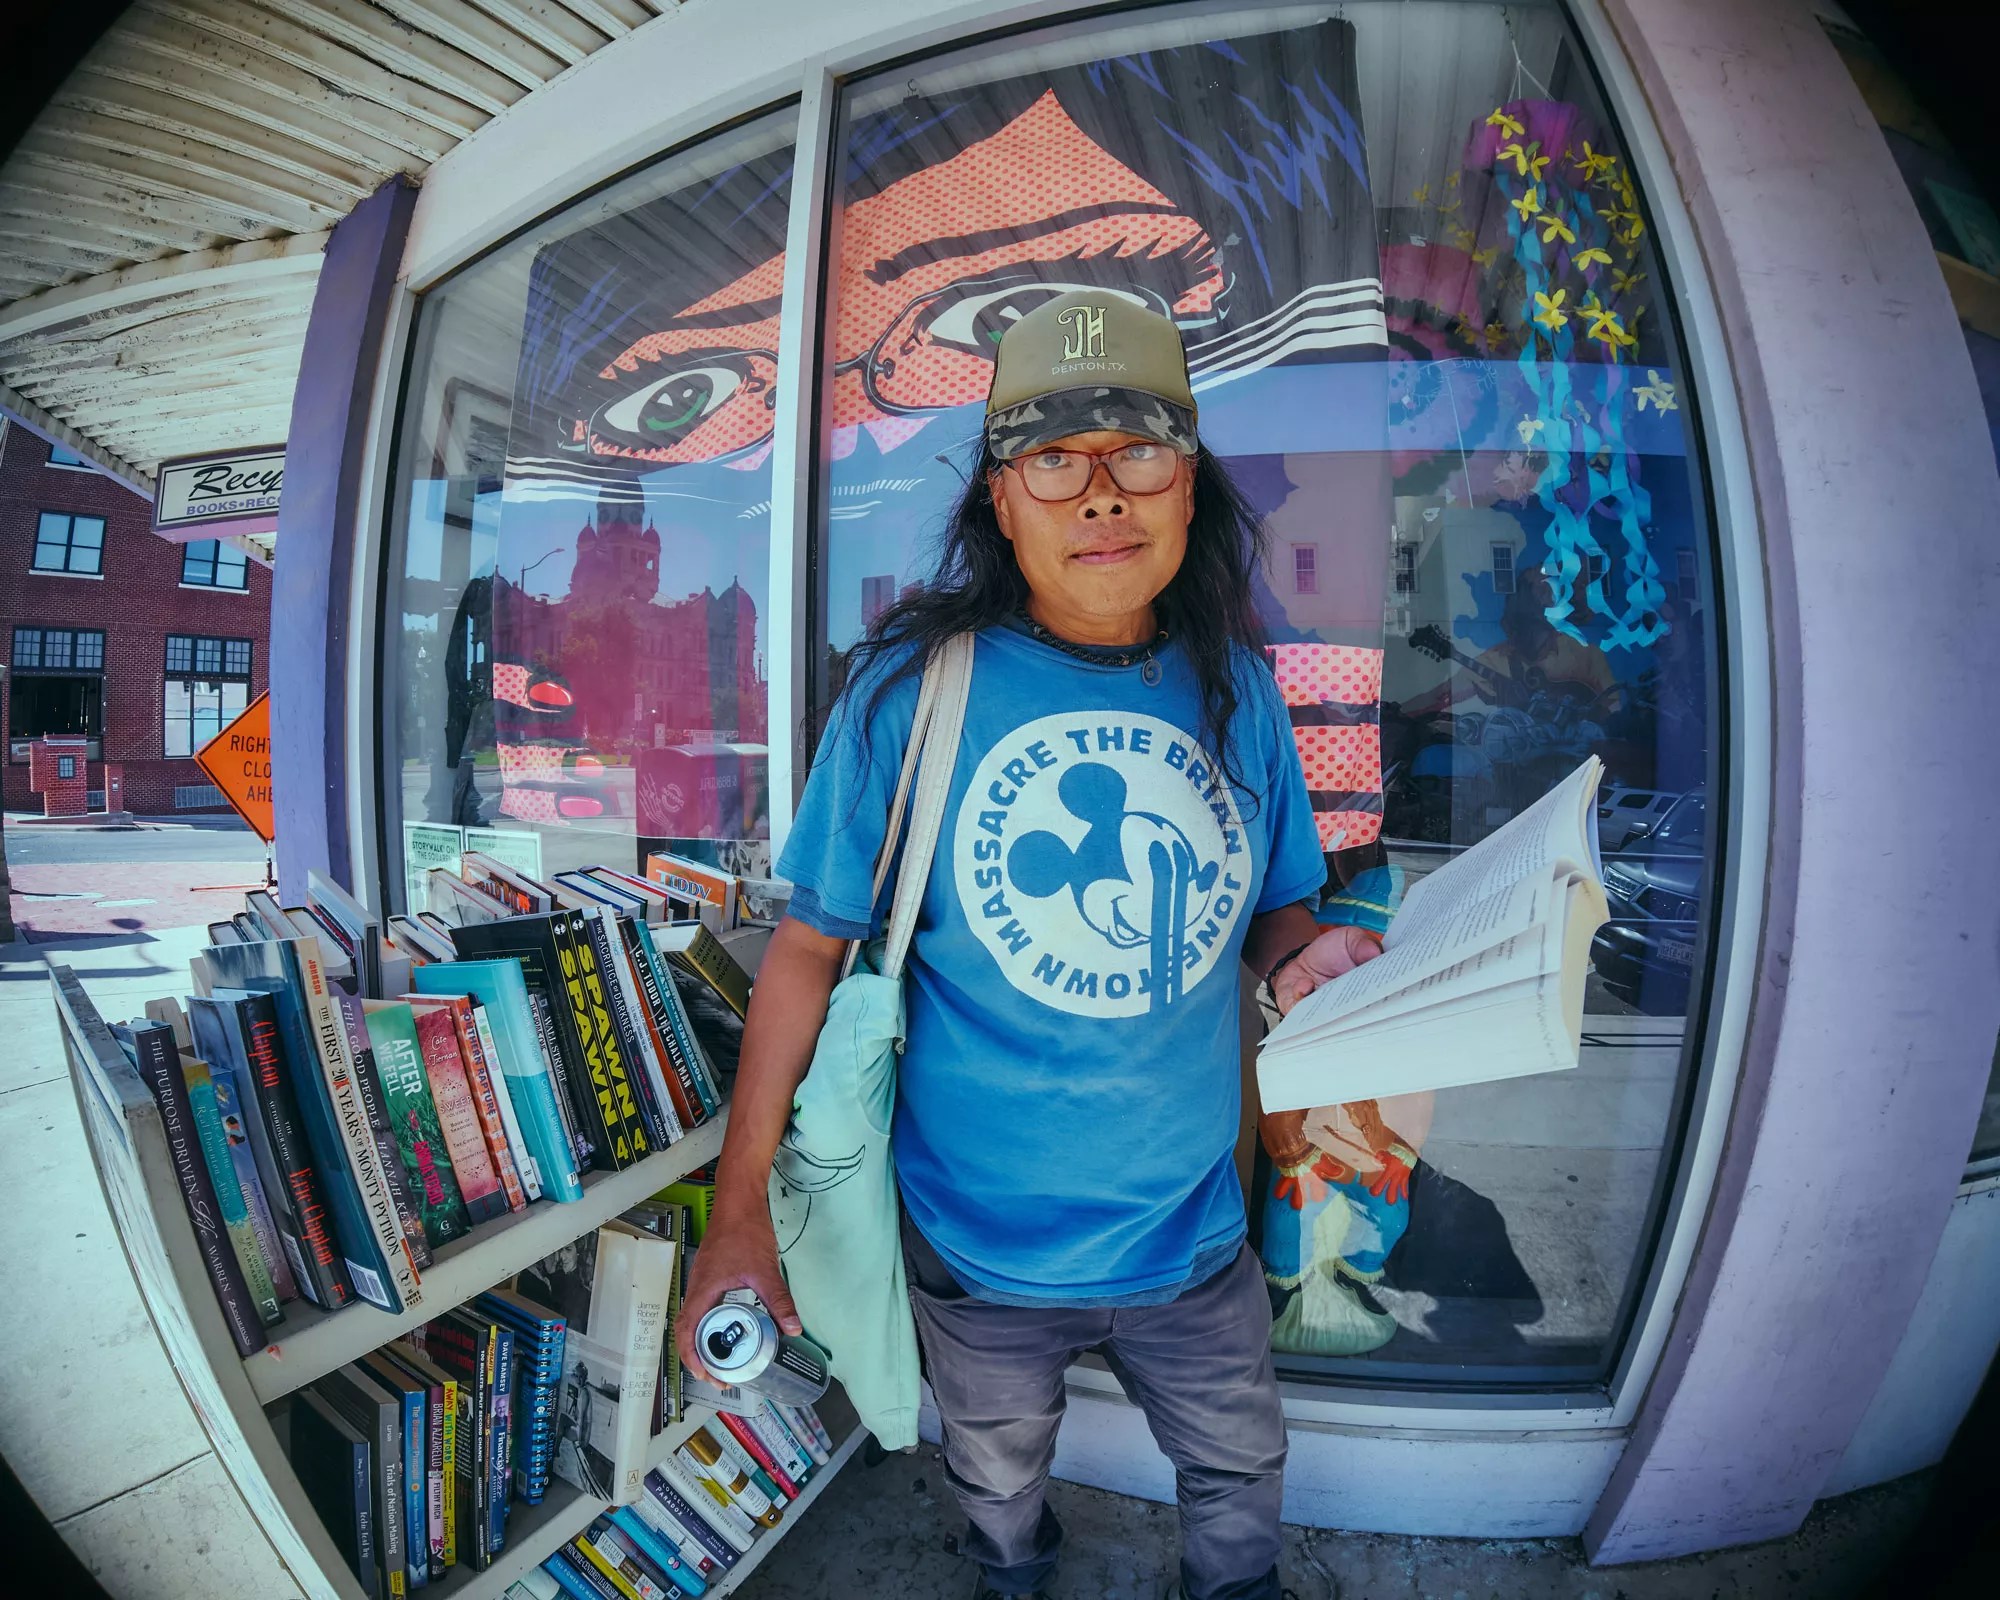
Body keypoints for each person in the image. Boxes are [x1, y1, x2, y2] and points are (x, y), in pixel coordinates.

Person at [676, 290, 1383, 1600]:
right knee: (996, 1477)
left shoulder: (1239, 689)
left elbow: (1275, 908)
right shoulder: (913, 693)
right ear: (1001, 501)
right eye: (1054, 458)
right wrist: (739, 1214)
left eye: (1140, 453)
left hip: (1190, 1231)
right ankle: (1013, 1574)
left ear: (1188, 488)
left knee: (1240, 1470)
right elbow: (806, 952)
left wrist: (1305, 958)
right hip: (977, 1247)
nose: (1101, 493)